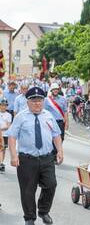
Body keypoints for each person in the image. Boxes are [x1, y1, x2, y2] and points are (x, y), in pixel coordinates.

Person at [6, 87, 63, 225]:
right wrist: (13, 156)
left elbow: (56, 134)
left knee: (51, 185)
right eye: (34, 101)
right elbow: (12, 137)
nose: (37, 103)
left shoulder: (49, 115)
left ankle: (43, 211)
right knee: (27, 190)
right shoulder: (20, 116)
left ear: (43, 101)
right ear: (28, 102)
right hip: (27, 159)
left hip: (46, 158)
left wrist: (60, 151)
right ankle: (29, 218)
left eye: (40, 100)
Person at [0, 98, 12, 173]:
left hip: (5, 134)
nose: (4, 107)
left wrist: (1, 129)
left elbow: (8, 126)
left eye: (5, 105)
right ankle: (0, 163)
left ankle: (1, 162)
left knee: (3, 149)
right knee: (0, 148)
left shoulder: (8, 115)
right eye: (2, 105)